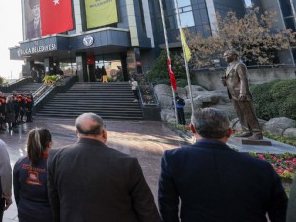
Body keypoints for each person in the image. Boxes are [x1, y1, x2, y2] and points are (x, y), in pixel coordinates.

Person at [158, 108, 287, 222]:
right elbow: (281, 213)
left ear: (192, 129)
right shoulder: (262, 168)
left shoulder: (174, 159)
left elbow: (167, 208)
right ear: (229, 132)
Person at [47, 112, 160, 222]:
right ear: (104, 133)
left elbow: (54, 201)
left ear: (76, 132)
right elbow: (146, 208)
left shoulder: (55, 157)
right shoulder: (127, 163)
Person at [222, 49, 263, 140]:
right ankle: (247, 131)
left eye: (227, 55)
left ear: (234, 55)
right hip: (232, 94)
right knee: (240, 114)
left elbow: (243, 79)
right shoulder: (229, 66)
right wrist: (224, 81)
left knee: (249, 113)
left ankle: (257, 133)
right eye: (224, 55)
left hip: (241, 94)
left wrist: (243, 92)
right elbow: (230, 81)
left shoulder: (239, 65)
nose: (224, 57)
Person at [13, 129, 52, 222]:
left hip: (24, 212)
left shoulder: (20, 163)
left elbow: (16, 191)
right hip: (47, 214)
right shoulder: (53, 165)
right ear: (49, 144)